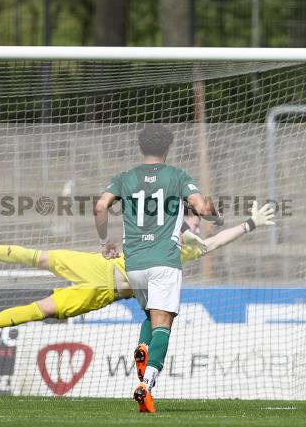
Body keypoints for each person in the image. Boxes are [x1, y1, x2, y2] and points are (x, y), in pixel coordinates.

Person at [0, 200, 275, 336]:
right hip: (96, 265)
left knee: (41, 310)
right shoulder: (167, 227)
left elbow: (210, 243)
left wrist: (249, 224)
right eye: (193, 217)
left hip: (103, 291)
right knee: (40, 257)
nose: (197, 224)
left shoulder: (183, 250)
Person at [93, 124, 219, 412]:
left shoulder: (125, 178)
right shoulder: (178, 176)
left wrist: (104, 242)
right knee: (164, 323)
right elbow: (201, 208)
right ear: (167, 149)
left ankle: (143, 348)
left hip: (134, 262)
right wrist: (213, 211)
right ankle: (146, 383)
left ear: (141, 148)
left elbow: (101, 207)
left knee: (151, 315)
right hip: (164, 260)